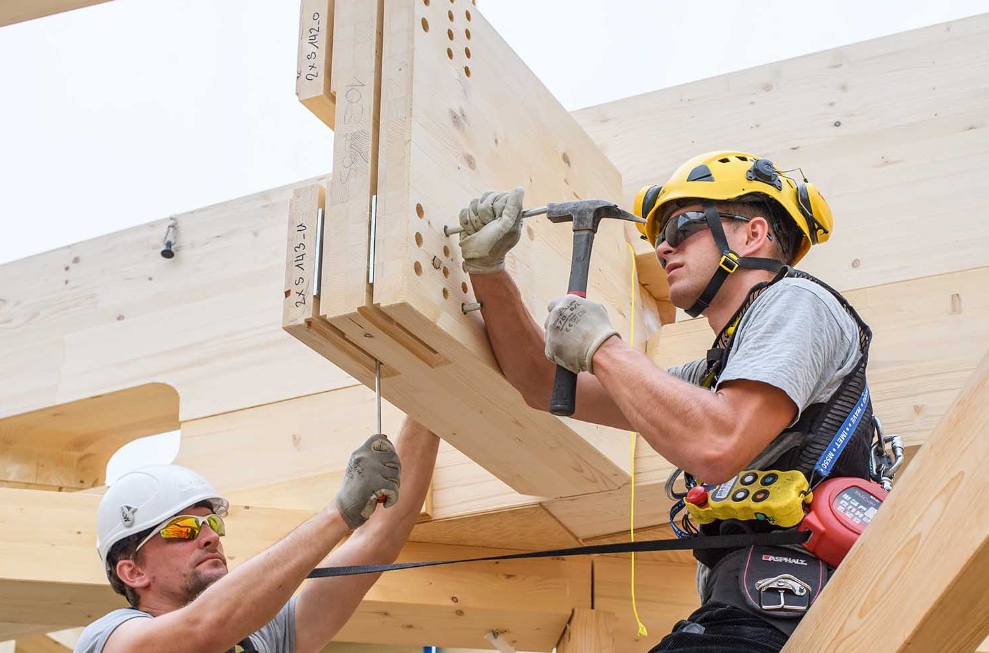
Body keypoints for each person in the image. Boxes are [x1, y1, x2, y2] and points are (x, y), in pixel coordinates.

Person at [456, 151, 878, 652]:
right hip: (751, 615)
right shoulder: (712, 378)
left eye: (683, 226)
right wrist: (487, 269)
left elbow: (717, 443)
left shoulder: (797, 302)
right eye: (658, 236)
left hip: (782, 621)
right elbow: (538, 382)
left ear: (752, 233)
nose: (662, 247)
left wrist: (602, 348)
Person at [76, 416, 439, 653]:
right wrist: (338, 514)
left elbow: (377, 540)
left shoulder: (263, 637)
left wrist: (430, 400)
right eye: (182, 529)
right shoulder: (111, 639)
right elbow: (202, 629)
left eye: (212, 524)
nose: (209, 537)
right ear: (133, 572)